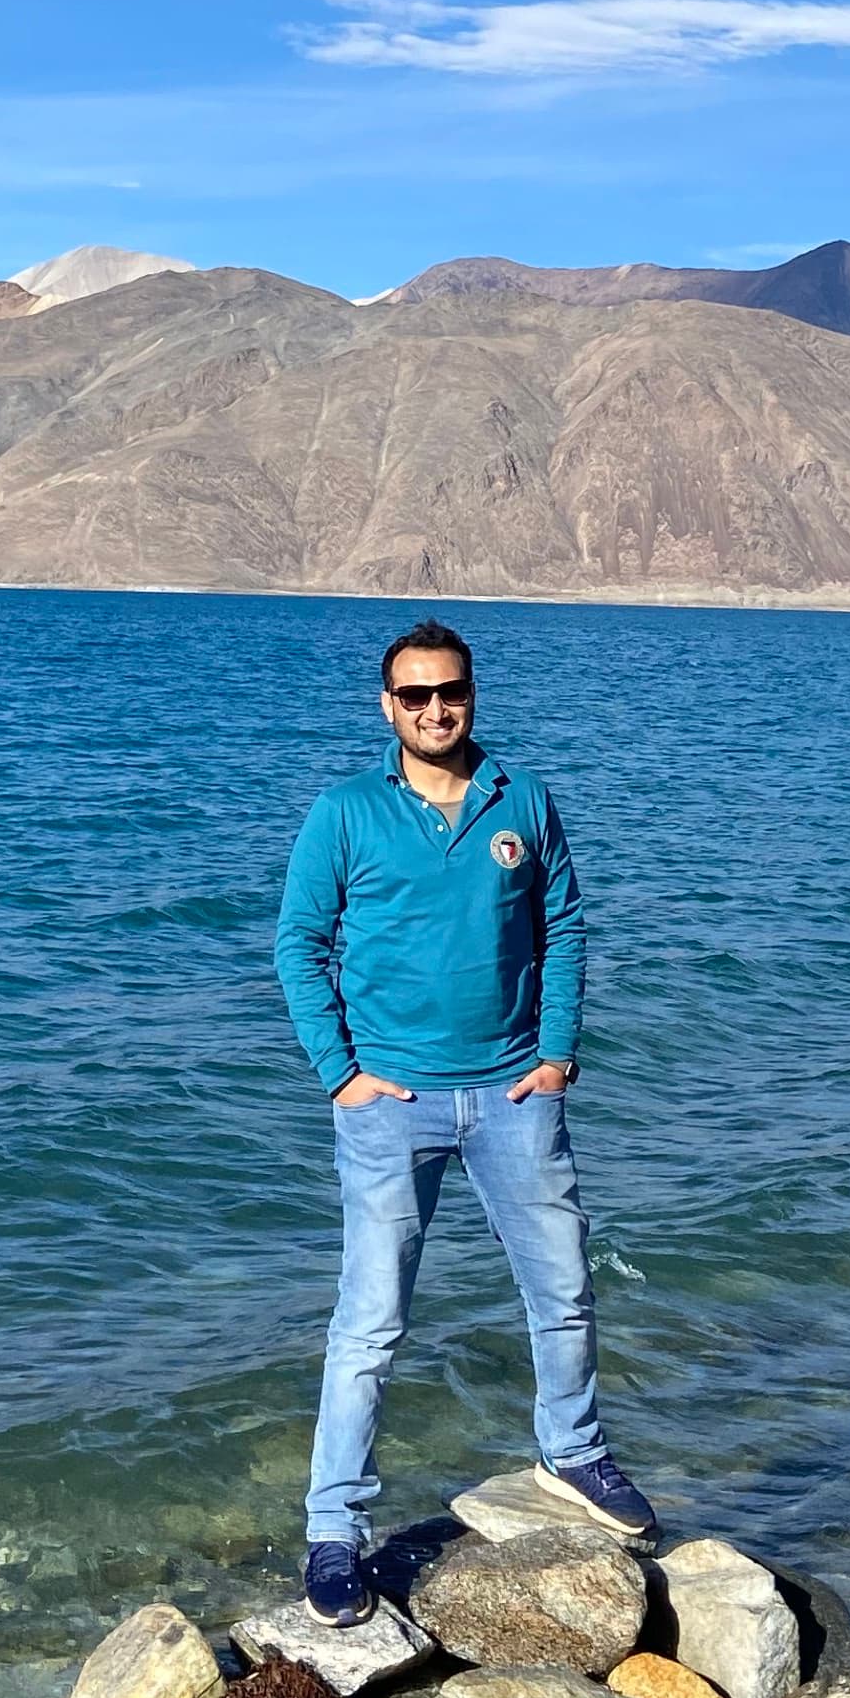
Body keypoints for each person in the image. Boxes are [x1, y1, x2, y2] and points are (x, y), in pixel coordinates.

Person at [273, 617, 655, 1626]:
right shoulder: (346, 812)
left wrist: (557, 1053)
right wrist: (339, 1075)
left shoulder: (519, 800)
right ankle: (333, 1531)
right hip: (388, 1105)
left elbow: (562, 924)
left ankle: (574, 1454)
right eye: (415, 697)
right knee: (370, 1323)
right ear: (386, 706)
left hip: (511, 1097)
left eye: (451, 692)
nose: (435, 710)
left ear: (472, 695)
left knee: (563, 1289)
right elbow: (299, 942)